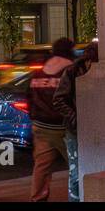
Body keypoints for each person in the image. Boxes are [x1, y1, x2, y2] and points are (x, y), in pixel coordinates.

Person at [28, 37, 76, 201]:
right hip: (62, 127)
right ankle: (79, 195)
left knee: (41, 165)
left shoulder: (39, 71)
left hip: (40, 125)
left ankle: (37, 197)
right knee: (76, 163)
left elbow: (30, 98)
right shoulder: (70, 69)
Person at [52, 41, 98, 202]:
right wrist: (74, 117)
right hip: (75, 129)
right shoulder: (72, 72)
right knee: (76, 171)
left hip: (94, 127)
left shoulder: (91, 73)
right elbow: (58, 100)